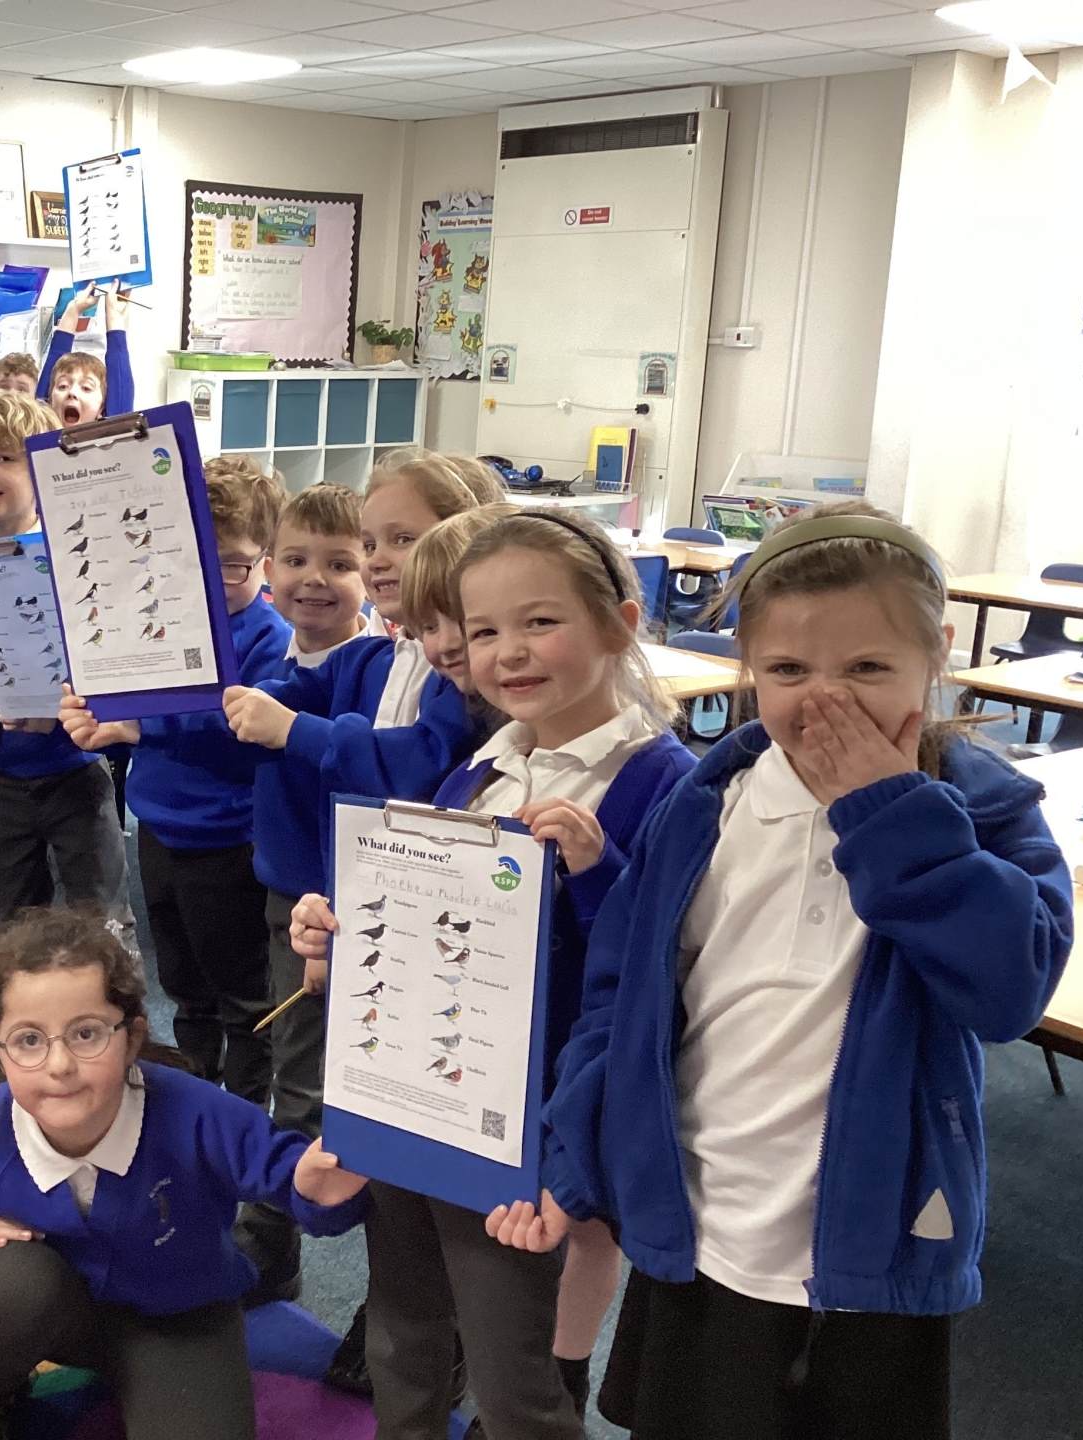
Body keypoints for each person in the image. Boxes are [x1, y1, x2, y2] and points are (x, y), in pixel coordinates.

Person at [487, 503, 1075, 1440]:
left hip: (868, 1257)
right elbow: (619, 1003)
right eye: (789, 670)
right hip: (696, 1232)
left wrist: (888, 810)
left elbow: (1009, 991)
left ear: (937, 657)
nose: (825, 700)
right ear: (748, 665)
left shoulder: (983, 810)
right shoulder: (705, 804)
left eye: (868, 669)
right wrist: (576, 1158)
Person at [293, 508, 697, 1438]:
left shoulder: (662, 783)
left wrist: (597, 872)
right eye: (483, 632)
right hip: (413, 1098)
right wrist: (342, 941)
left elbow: (659, 978)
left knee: (512, 1365)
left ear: (619, 625)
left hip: (525, 1125)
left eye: (540, 622)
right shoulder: (479, 770)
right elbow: (429, 929)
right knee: (403, 1330)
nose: (507, 652)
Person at [0, 906, 372, 1440]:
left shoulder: (196, 1112)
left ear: (131, 1038)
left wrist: (315, 1190)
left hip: (181, 1316)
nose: (59, 1066)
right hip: (55, 1308)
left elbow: (294, 1177)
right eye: (29, 1040)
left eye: (86, 1034)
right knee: (7, 1292)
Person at [223, 458, 494, 1322]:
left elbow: (410, 765)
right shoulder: (386, 652)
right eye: (371, 541)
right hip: (345, 906)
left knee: (372, 1098)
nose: (379, 559)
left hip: (414, 918)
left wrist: (295, 730)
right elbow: (281, 691)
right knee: (332, 1082)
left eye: (402, 540)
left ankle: (357, 1288)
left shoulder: (458, 674)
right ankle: (312, 1262)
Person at [57, 458, 290, 1102]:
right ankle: (194, 1094)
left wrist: (142, 726)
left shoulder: (269, 637)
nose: (212, 584)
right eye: (195, 563)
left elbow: (244, 727)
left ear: (266, 563)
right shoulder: (161, 619)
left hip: (229, 842)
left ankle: (243, 1113)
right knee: (183, 984)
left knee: (243, 993)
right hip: (158, 829)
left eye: (233, 566)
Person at [0, 393, 128, 929]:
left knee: (101, 917)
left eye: (5, 458)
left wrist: (60, 702)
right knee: (19, 923)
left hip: (73, 768)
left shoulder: (76, 552)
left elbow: (107, 646)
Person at [37, 285, 133, 422]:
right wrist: (74, 308)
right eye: (62, 386)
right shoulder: (40, 425)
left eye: (86, 388)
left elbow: (120, 384)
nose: (72, 393)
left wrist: (113, 314)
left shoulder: (115, 432)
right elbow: (55, 358)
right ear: (50, 400)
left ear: (101, 408)